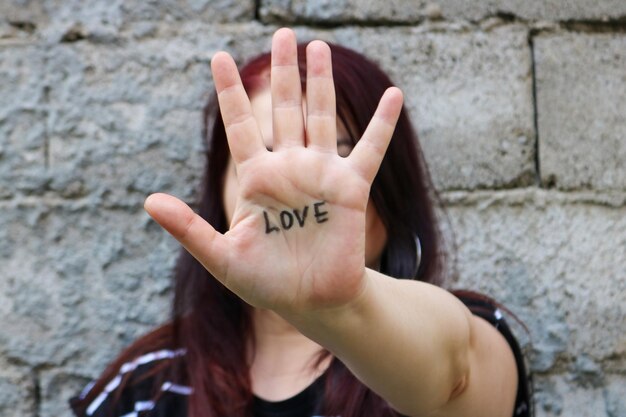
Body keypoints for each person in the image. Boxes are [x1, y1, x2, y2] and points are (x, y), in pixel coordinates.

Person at [70, 28, 532, 417]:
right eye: (266, 160)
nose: (303, 189)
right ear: (223, 188)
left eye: (339, 158)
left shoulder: (466, 335)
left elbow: (453, 370)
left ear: (393, 187)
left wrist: (343, 305)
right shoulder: (145, 386)